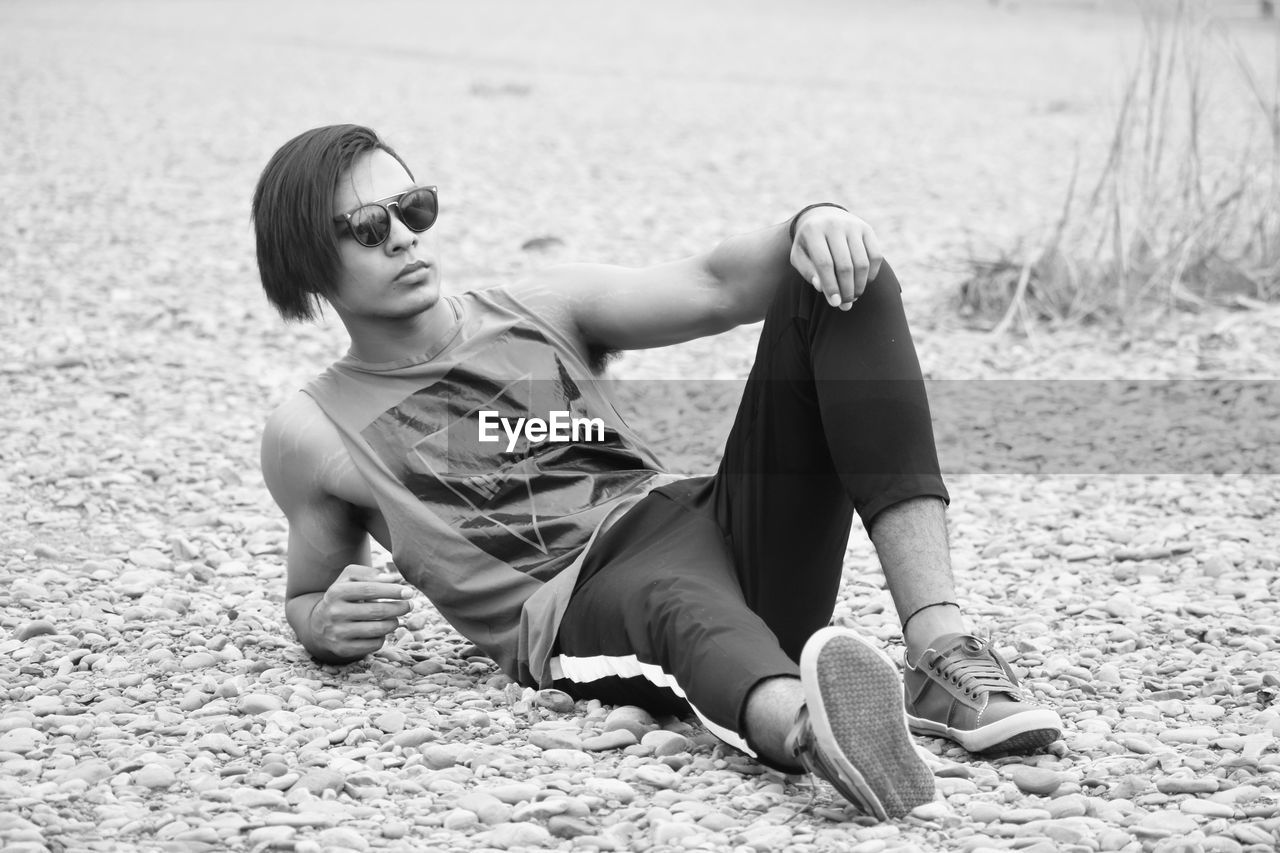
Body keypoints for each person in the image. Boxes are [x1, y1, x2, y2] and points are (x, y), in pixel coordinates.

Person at [252, 124, 1062, 821]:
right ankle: (820, 732)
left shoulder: (537, 307)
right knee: (674, 602)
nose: (403, 236)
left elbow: (714, 284)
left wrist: (811, 223)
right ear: (307, 265)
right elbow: (311, 595)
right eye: (367, 225)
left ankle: (941, 651)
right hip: (585, 594)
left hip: (703, 518)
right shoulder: (314, 428)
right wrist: (324, 625)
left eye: (413, 207)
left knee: (843, 283)